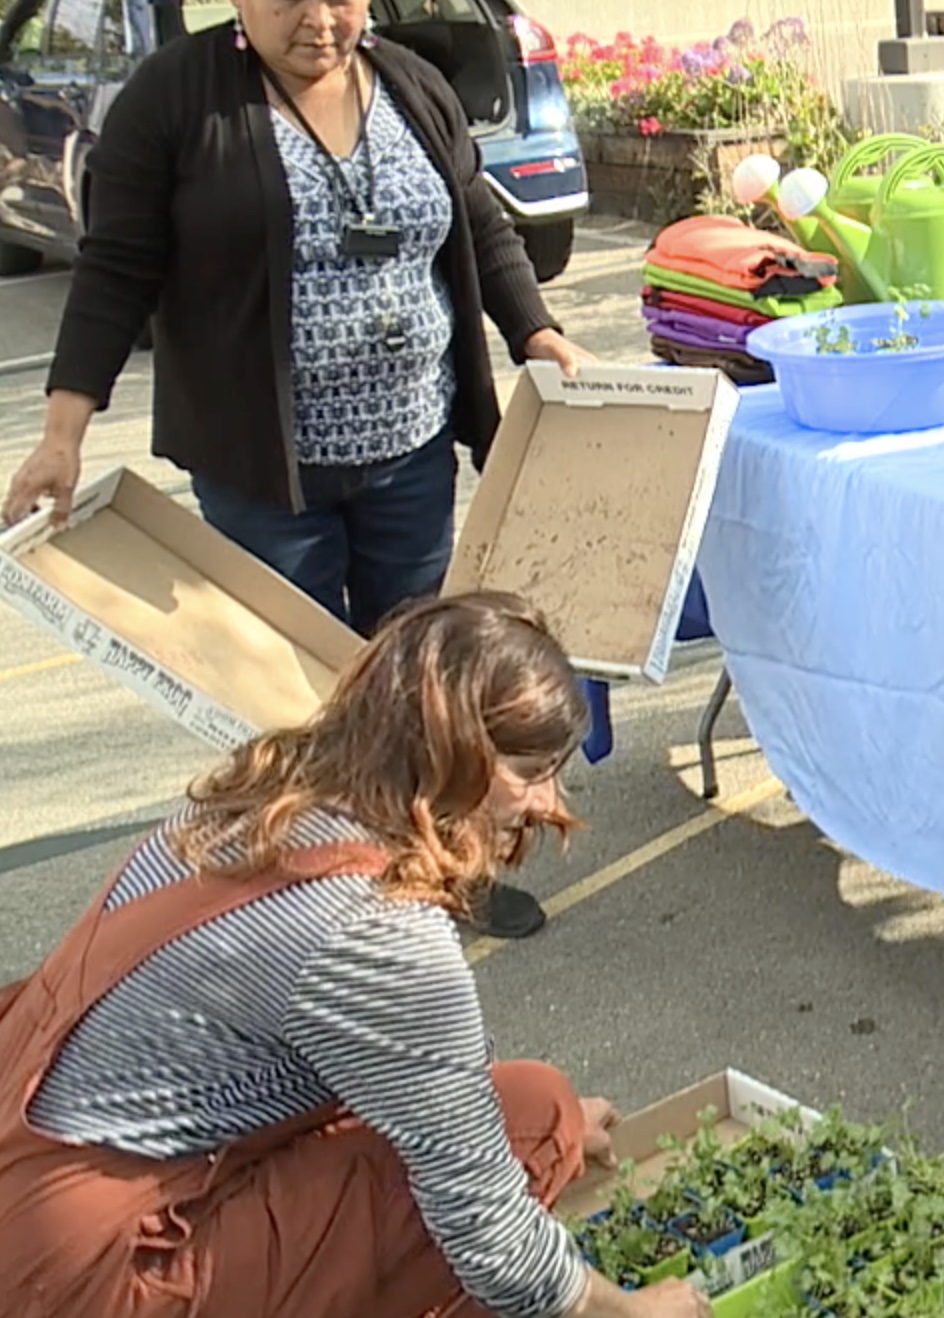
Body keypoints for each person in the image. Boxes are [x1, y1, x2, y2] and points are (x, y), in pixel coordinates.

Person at [0, 0, 597, 938]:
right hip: (264, 470)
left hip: (412, 451)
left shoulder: (409, 82)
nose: (320, 20)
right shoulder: (175, 97)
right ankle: (328, 897)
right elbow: (116, 269)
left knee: (421, 684)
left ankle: (438, 870)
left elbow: (476, 217)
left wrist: (540, 332)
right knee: (300, 703)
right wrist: (64, 431)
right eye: (291, 0)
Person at [0, 592, 711, 1318]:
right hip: (87, 1277)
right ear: (449, 753)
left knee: (532, 1115)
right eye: (529, 771)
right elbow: (492, 1239)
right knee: (529, 1127)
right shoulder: (377, 931)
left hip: (31, 1182)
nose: (546, 800)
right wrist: (630, 1309)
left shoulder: (263, 799)